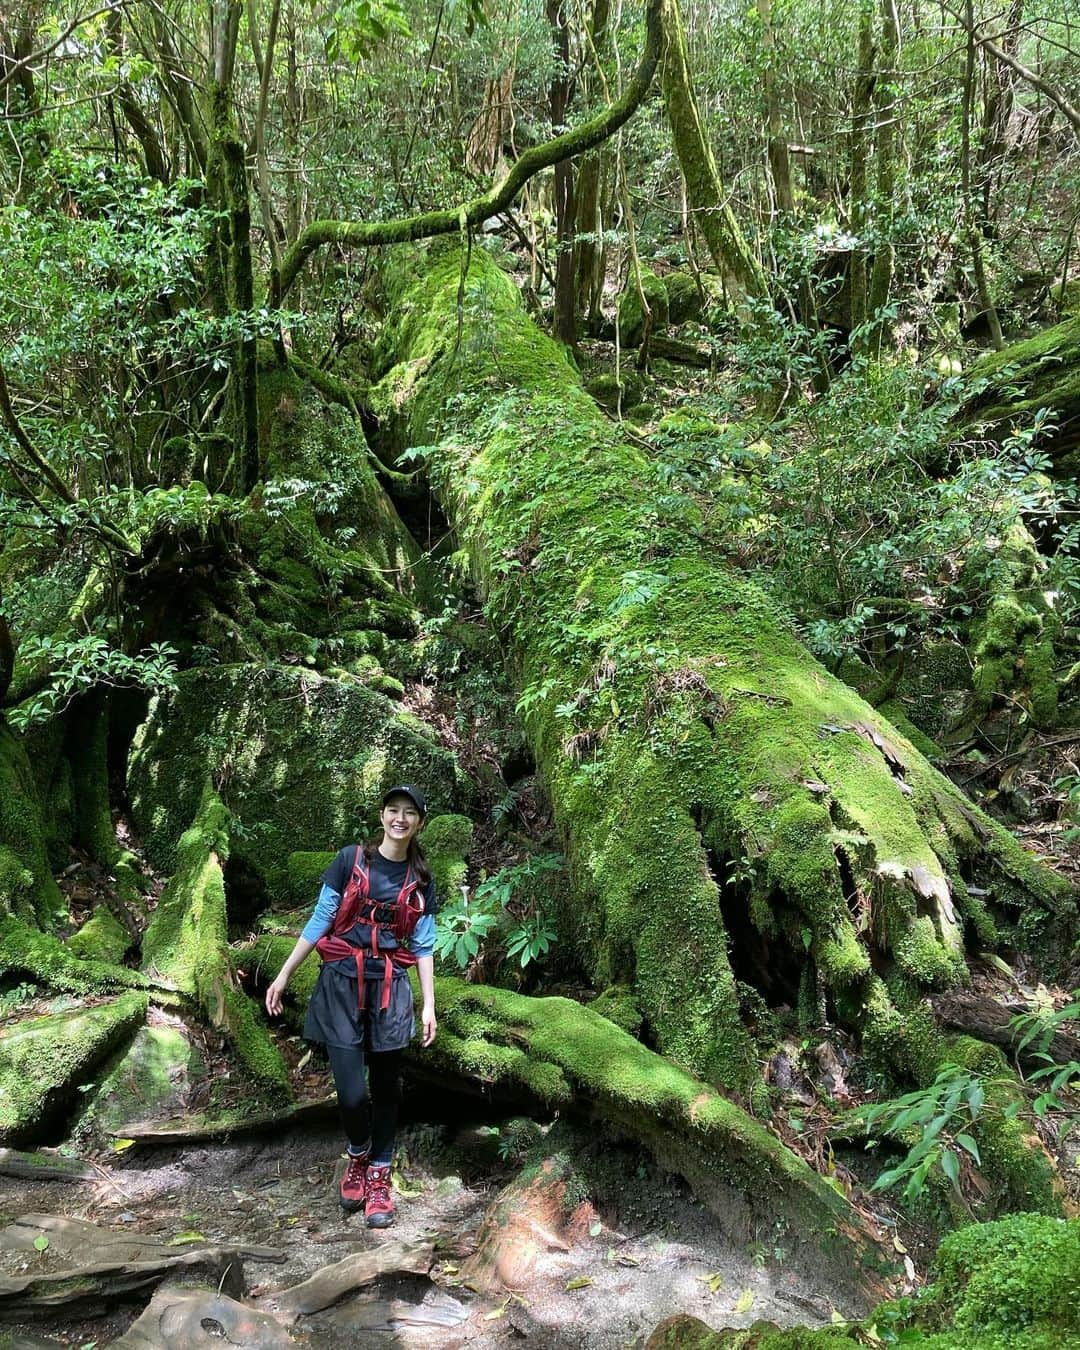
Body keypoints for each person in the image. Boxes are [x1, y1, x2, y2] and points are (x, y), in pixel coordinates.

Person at [265, 783, 438, 1227]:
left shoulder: (420, 880)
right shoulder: (351, 860)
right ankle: (358, 1154)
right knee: (352, 1091)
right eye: (392, 810)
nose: (400, 819)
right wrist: (284, 974)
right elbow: (322, 918)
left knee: (386, 1088)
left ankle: (379, 1175)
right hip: (341, 984)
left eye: (409, 813)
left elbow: (422, 944)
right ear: (381, 816)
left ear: (418, 823)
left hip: (389, 988)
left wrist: (428, 1005)